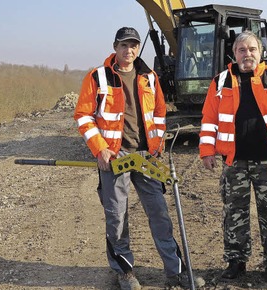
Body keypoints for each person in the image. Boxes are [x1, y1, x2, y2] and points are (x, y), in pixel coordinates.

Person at [74, 27, 188, 290]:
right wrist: (100, 148)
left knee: (160, 214)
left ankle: (176, 271)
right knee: (117, 217)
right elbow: (83, 115)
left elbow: (159, 113)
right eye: (124, 45)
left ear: (138, 49)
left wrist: (157, 144)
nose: (129, 50)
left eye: (134, 46)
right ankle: (124, 271)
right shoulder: (98, 77)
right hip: (115, 157)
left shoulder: (149, 77)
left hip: (145, 155)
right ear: (115, 47)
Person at [198, 30, 267, 285]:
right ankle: (236, 261)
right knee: (234, 213)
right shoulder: (220, 81)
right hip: (234, 162)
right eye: (242, 50)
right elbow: (209, 119)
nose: (247, 54)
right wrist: (206, 150)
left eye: (252, 50)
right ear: (234, 54)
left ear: (261, 53)